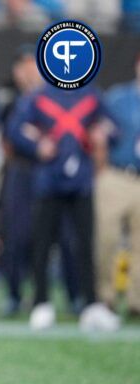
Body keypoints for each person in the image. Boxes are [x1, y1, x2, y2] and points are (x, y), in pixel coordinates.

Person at [8, 83, 120, 331]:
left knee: (84, 244)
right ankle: (41, 302)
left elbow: (113, 128)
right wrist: (37, 145)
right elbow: (16, 129)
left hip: (80, 180)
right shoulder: (39, 96)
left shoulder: (90, 95)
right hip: (49, 180)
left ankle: (90, 303)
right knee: (42, 244)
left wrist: (102, 135)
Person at [96, 55, 140, 318]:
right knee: (107, 239)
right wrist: (100, 169)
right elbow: (99, 133)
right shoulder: (118, 98)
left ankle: (137, 301)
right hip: (118, 174)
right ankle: (106, 297)